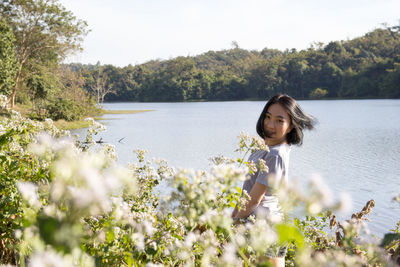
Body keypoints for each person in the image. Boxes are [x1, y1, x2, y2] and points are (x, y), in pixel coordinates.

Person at [231, 93, 315, 267]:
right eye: (268, 117)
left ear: (291, 126)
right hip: (254, 223)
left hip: (268, 227)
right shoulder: (263, 147)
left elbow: (256, 198)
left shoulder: (275, 155)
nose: (270, 124)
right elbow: (247, 190)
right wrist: (233, 216)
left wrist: (235, 224)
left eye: (279, 120)